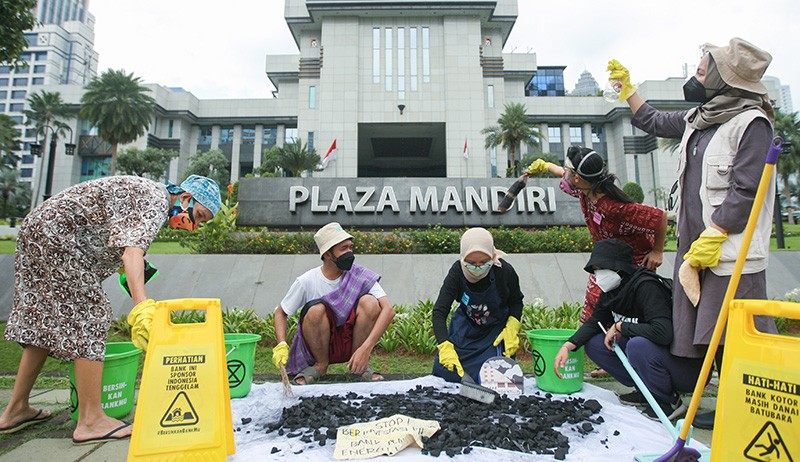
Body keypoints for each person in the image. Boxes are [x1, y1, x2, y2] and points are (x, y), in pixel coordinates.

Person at [609, 37, 778, 429]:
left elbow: (746, 190)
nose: (695, 79)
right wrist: (628, 90)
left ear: (723, 79)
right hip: (696, 255)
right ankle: (723, 402)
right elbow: (654, 121)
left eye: (702, 73)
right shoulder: (700, 119)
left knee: (734, 334)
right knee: (709, 332)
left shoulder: (752, 124)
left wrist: (716, 234)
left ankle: (743, 409)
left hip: (729, 254)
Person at [0, 175, 221, 444]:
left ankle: (16, 409)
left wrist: (129, 272)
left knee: (45, 321)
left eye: (202, 222)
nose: (195, 225)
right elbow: (132, 253)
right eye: (199, 216)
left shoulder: (149, 195)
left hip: (40, 231)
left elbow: (116, 236)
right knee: (92, 314)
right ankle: (90, 421)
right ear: (185, 198)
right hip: (57, 238)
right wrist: (142, 307)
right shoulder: (157, 201)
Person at [554, 239, 703, 420]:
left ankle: (668, 401)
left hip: (683, 368)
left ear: (619, 268)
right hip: (654, 358)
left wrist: (621, 326)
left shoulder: (647, 287)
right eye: (596, 269)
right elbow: (595, 322)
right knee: (595, 344)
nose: (599, 275)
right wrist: (568, 346)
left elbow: (663, 333)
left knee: (637, 345)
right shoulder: (612, 291)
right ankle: (645, 390)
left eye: (603, 268)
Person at [527, 147, 668, 324]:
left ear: (577, 178)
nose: (565, 175)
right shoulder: (585, 190)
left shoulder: (615, 208)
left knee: (622, 313)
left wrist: (657, 251)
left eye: (569, 171)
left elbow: (660, 217)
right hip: (605, 261)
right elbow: (562, 173)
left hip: (630, 266)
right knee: (594, 310)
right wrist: (545, 165)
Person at [271, 222, 395, 385]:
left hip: (352, 341)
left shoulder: (360, 275)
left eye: (350, 247)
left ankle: (359, 366)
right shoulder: (307, 281)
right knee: (315, 310)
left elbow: (388, 310)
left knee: (370, 302)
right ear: (328, 254)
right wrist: (281, 344)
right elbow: (281, 312)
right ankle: (320, 365)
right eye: (343, 249)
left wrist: (366, 348)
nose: (349, 252)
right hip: (320, 343)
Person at [432, 227, 524, 383]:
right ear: (463, 258)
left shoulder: (504, 271)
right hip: (465, 331)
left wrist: (512, 328)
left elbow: (516, 302)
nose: (478, 267)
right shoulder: (456, 273)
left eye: (483, 262)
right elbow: (439, 312)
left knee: (496, 378)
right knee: (446, 374)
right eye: (471, 263)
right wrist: (445, 346)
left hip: (495, 334)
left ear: (492, 256)